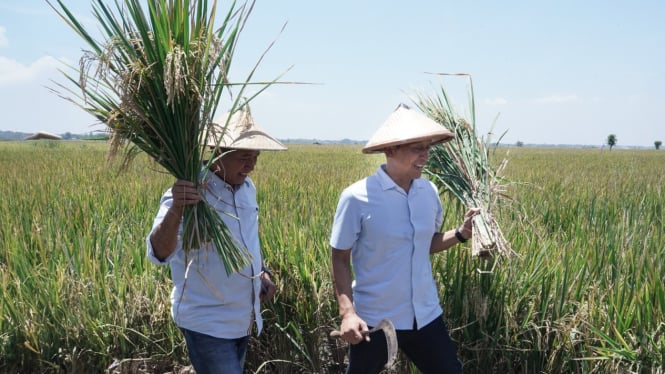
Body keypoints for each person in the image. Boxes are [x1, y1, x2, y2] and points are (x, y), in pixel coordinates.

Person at [330, 103, 480, 374]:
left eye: (427, 148)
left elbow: (425, 244)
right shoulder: (357, 197)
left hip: (425, 315)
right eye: (416, 148)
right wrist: (347, 313)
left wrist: (460, 233)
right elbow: (339, 257)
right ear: (390, 150)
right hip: (376, 319)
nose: (425, 155)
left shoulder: (428, 192)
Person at [146, 107, 286, 374]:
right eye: (245, 156)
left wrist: (262, 273)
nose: (252, 165)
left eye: (256, 156)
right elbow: (158, 254)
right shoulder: (189, 191)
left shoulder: (248, 189)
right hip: (208, 322)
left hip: (244, 319)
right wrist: (177, 207)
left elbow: (248, 240)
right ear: (217, 153)